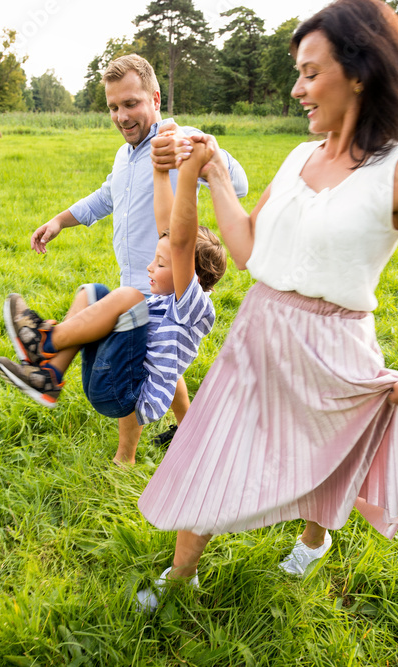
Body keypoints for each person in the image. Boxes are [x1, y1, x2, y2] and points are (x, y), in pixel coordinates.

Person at [133, 0, 398, 610]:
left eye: (309, 72)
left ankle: (314, 540)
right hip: (260, 332)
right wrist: (212, 171)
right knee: (211, 449)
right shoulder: (300, 157)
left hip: (335, 347)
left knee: (326, 462)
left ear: (360, 72)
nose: (298, 88)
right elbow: (246, 249)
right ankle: (181, 575)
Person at [28, 54, 249, 461]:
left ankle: (125, 456)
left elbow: (238, 183)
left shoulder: (178, 138)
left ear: (155, 98)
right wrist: (61, 220)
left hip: (170, 283)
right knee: (165, 362)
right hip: (140, 277)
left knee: (141, 369)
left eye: (131, 104)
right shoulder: (124, 156)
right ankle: (190, 431)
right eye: (113, 106)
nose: (121, 115)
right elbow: (105, 197)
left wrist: (200, 149)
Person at [0, 133, 228, 465]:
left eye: (161, 264)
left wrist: (188, 173)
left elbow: (179, 240)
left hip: (125, 395)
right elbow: (167, 228)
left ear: (187, 273)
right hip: (111, 376)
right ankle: (49, 376)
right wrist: (160, 171)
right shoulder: (168, 299)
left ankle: (45, 341)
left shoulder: (193, 307)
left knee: (130, 296)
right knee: (93, 293)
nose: (152, 266)